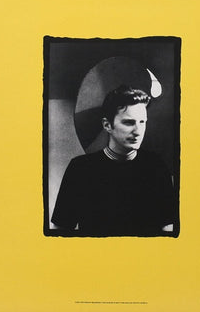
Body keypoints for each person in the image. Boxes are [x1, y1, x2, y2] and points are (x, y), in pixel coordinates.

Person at [51, 85, 178, 237]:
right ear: (107, 125)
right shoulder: (80, 169)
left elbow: (168, 229)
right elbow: (61, 230)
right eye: (129, 122)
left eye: (142, 122)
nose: (138, 131)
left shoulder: (156, 167)